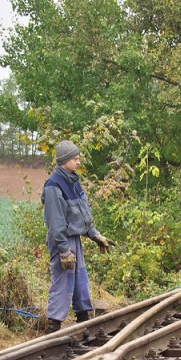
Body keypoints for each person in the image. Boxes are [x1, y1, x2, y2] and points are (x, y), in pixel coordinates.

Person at [43, 140, 115, 332]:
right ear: (64, 160)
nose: (78, 162)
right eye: (75, 159)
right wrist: (63, 250)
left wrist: (95, 235)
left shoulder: (73, 181)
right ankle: (54, 325)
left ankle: (83, 319)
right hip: (62, 240)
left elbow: (81, 215)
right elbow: (55, 222)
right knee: (63, 279)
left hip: (74, 239)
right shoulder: (54, 186)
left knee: (79, 278)